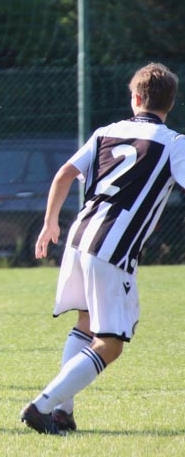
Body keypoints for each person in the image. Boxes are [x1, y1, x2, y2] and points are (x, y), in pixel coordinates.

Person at [20, 63, 185, 435]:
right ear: (171, 103)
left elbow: (64, 173)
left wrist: (50, 222)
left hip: (79, 237)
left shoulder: (105, 132)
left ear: (135, 98)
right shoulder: (174, 143)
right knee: (110, 343)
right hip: (112, 248)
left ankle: (62, 412)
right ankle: (41, 407)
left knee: (85, 322)